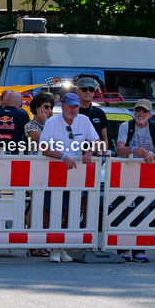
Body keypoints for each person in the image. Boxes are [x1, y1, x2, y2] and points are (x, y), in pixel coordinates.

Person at [39, 92, 99, 263]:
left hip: (74, 173)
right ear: (63, 106)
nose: (74, 110)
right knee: (54, 210)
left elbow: (97, 141)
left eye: (76, 106)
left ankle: (61, 247)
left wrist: (88, 151)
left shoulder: (84, 120)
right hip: (54, 171)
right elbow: (44, 148)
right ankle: (53, 247)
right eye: (71, 106)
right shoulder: (52, 122)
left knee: (70, 211)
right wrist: (63, 156)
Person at [114, 99, 155, 263]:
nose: (141, 113)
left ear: (150, 114)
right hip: (125, 173)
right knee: (121, 208)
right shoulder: (126, 126)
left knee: (143, 209)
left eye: (144, 111)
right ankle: (122, 249)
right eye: (138, 110)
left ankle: (139, 250)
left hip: (146, 175)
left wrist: (154, 156)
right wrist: (133, 150)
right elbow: (119, 149)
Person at [23, 91, 55, 257]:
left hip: (52, 169)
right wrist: (47, 122)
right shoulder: (31, 125)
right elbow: (46, 143)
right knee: (36, 205)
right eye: (46, 107)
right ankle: (33, 244)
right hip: (36, 168)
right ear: (37, 108)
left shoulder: (52, 124)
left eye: (51, 107)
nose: (49, 110)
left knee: (48, 206)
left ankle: (42, 242)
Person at [76, 76, 110, 156]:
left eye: (91, 90)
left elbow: (104, 140)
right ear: (77, 91)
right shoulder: (71, 111)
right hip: (73, 158)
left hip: (94, 160)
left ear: (94, 92)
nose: (88, 92)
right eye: (84, 89)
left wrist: (103, 158)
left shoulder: (100, 113)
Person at [0, 89, 29, 153]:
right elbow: (28, 135)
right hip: (16, 153)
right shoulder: (23, 115)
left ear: (7, 101)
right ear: (21, 103)